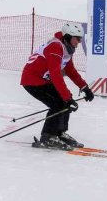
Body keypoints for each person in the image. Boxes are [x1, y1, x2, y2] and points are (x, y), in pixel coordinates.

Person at [20, 22, 95, 150]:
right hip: (32, 80)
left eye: (80, 39)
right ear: (68, 36)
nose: (79, 42)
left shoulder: (66, 48)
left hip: (44, 80)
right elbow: (56, 74)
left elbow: (71, 71)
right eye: (77, 39)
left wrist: (85, 88)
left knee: (64, 100)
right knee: (58, 103)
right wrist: (66, 97)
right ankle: (48, 136)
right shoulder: (56, 47)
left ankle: (59, 133)